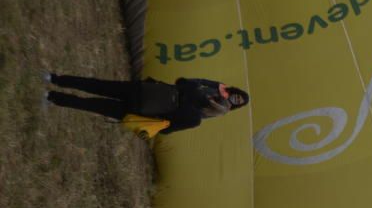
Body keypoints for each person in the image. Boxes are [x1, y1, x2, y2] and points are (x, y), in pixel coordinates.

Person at [44, 73, 249, 134]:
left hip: (143, 91)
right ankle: (53, 97)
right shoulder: (195, 119)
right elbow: (165, 130)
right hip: (141, 110)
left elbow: (181, 81)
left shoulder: (196, 92)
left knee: (97, 86)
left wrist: (211, 83)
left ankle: (55, 79)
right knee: (91, 104)